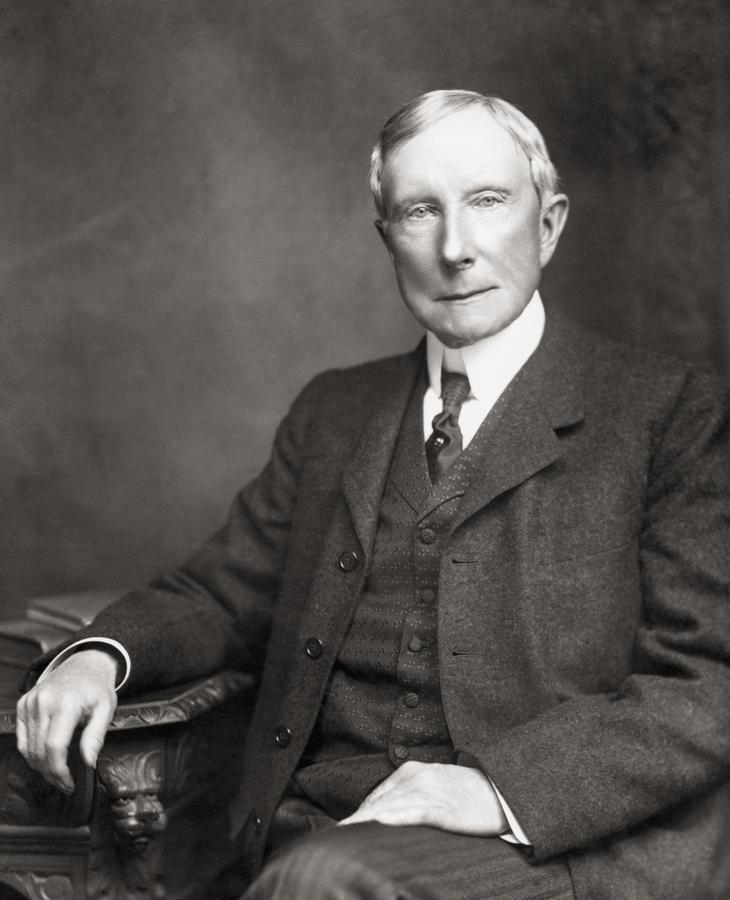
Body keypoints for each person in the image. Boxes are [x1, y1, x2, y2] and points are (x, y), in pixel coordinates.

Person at [15, 90, 730, 899]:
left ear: (550, 223)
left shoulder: (671, 413)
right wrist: (96, 659)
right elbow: (220, 595)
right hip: (307, 832)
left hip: (550, 850)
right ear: (387, 237)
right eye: (421, 212)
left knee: (326, 884)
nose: (455, 247)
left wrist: (498, 789)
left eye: (487, 202)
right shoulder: (334, 412)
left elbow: (707, 680)